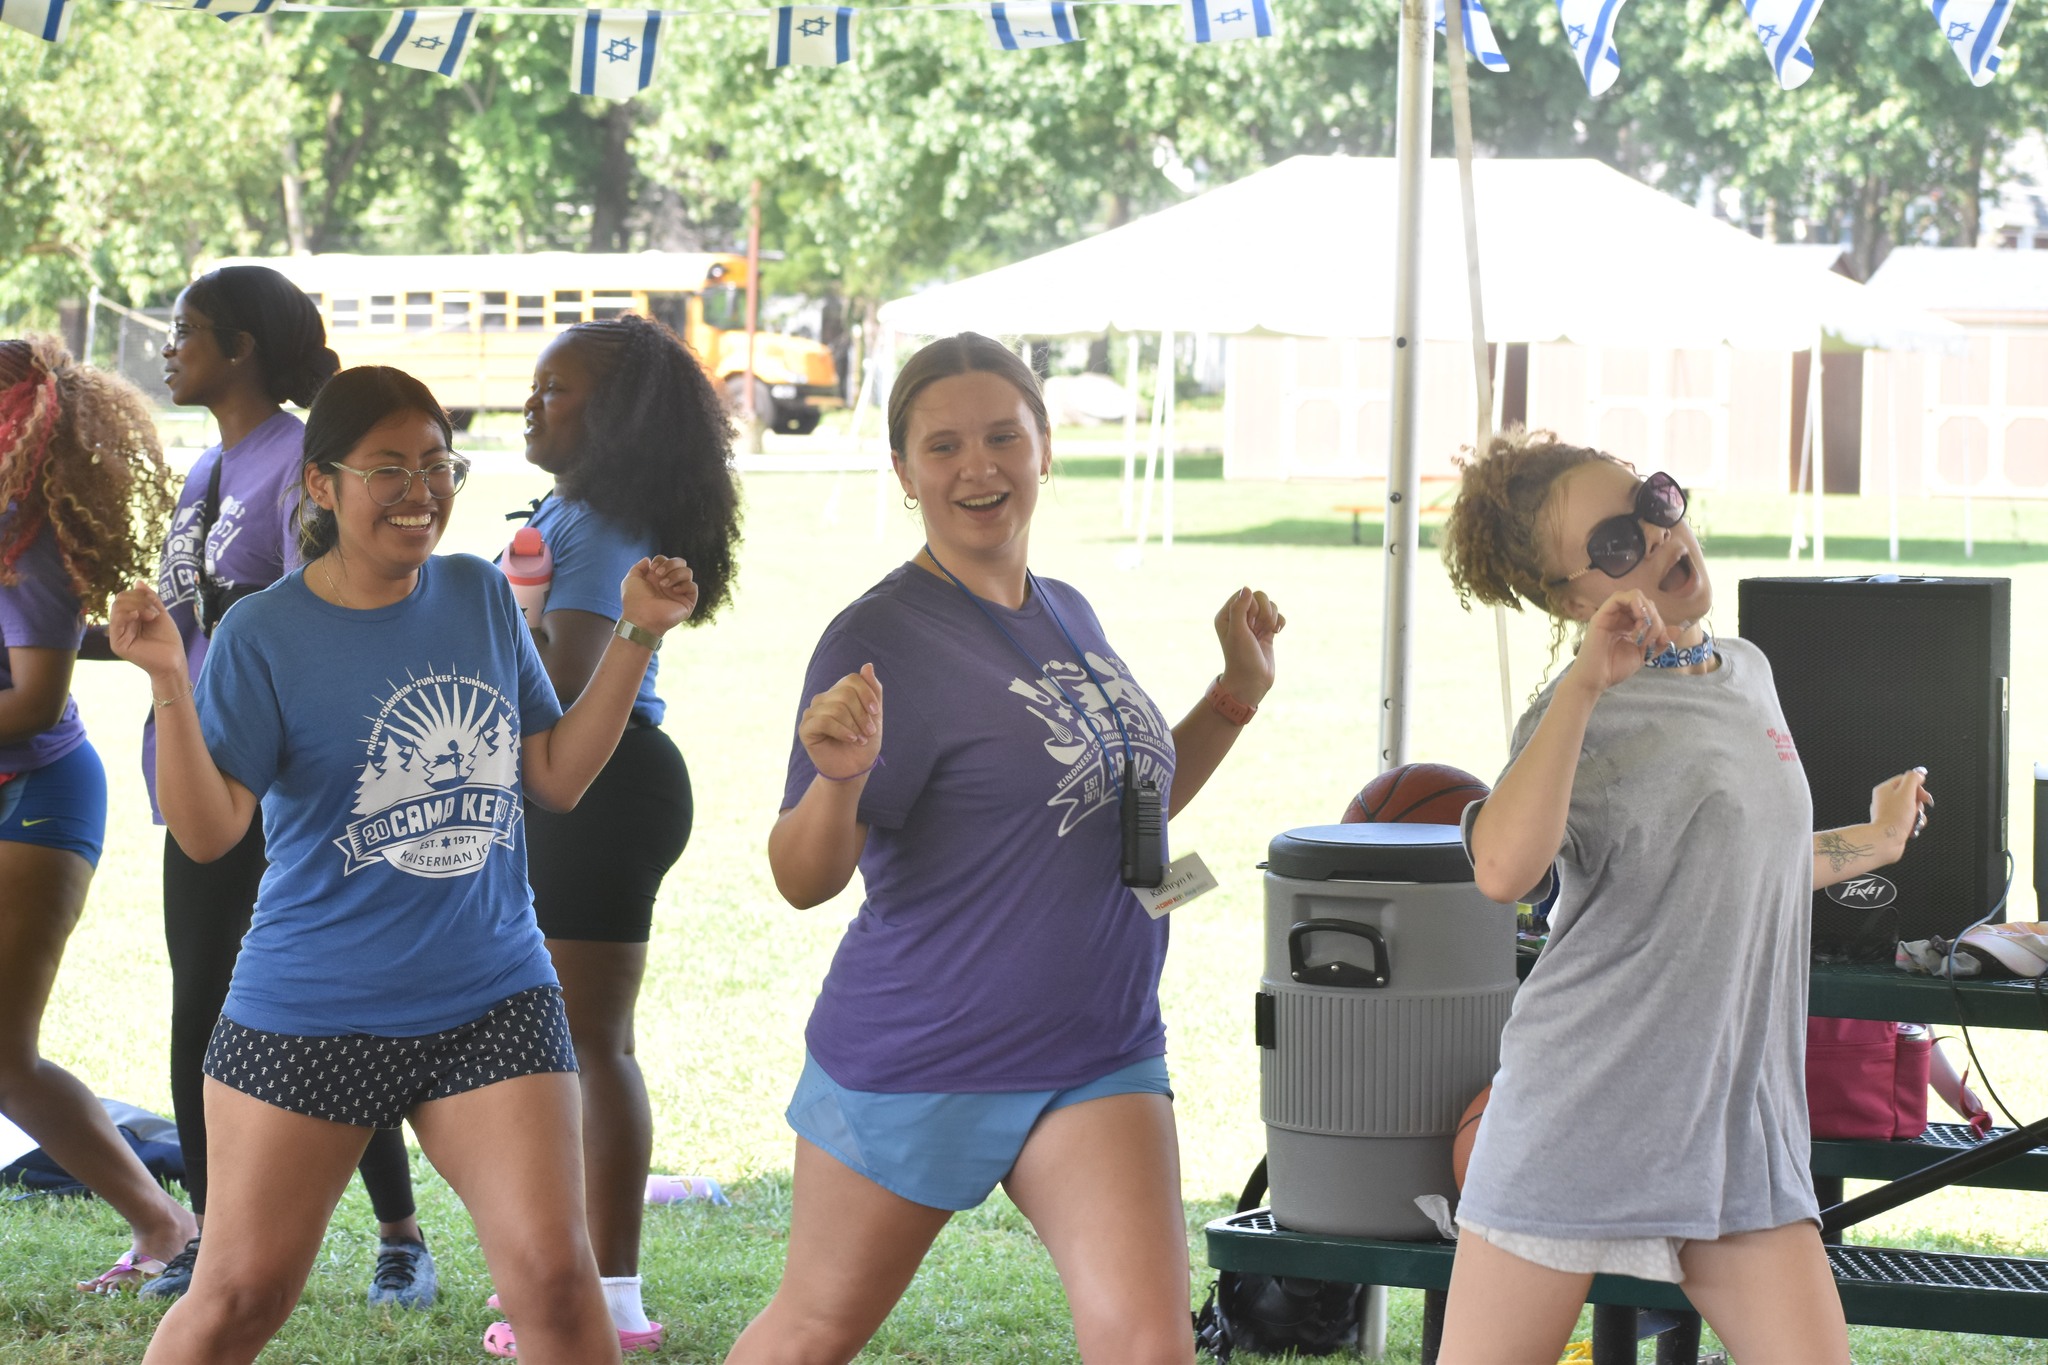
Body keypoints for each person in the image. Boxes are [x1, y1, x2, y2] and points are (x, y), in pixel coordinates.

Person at [109, 365, 699, 1364]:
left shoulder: (476, 593)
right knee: (241, 1296)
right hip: (313, 1008)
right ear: (323, 485)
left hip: (490, 997)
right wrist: (171, 679)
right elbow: (209, 832)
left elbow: (551, 777)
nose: (419, 490)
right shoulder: (266, 634)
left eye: (436, 464)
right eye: (388, 468)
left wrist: (637, 636)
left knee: (559, 1286)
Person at [726, 332, 1285, 1364]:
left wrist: (1234, 692)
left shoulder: (1065, 609)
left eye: (1001, 437)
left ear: (1042, 451)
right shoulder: (879, 637)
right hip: (924, 1052)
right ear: (903, 472)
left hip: (1097, 1049)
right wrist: (840, 776)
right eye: (942, 447)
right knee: (813, 1332)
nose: (976, 466)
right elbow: (802, 878)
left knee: (1147, 1346)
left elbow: (1122, 805)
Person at [1438, 428, 1933, 1364]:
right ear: (1569, 595)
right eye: (1620, 544)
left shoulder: (1747, 669)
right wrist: (1586, 683)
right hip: (1580, 1114)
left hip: (1736, 1133)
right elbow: (1501, 872)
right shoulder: (1573, 713)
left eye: (1654, 503)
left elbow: (1748, 858)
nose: (1661, 539)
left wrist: (1872, 840)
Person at [144, 264, 433, 1306]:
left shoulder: (293, 465)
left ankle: (399, 1233)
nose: (169, 349)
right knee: (200, 1010)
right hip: (196, 776)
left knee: (325, 1014)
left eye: (187, 331)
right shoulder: (203, 472)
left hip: (288, 785)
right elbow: (191, 628)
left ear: (241, 348)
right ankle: (210, 1241)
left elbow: (321, 610)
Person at [504, 312, 741, 1353]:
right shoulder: (567, 511)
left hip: (600, 787)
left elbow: (566, 679)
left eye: (557, 389)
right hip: (584, 788)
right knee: (571, 1044)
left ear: (617, 417)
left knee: (590, 1046)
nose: (532, 401)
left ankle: (608, 1303)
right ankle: (576, 1288)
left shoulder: (597, 524)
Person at [0, 336, 192, 1293]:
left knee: (4, 1054)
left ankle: (164, 1221)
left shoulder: (24, 550)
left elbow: (31, 700)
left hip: (31, 801)